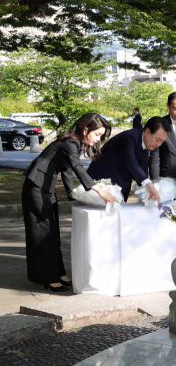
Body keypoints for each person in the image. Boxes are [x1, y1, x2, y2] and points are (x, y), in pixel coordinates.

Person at [22, 113, 119, 292]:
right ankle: (47, 277)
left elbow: (67, 173)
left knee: (52, 231)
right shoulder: (71, 142)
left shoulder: (75, 144)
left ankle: (58, 272)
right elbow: (77, 168)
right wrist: (98, 190)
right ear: (85, 130)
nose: (98, 139)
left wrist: (81, 197)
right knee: (43, 231)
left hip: (45, 187)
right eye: (97, 134)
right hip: (36, 186)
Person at [88, 117, 169, 202]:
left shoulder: (150, 145)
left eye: (162, 142)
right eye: (158, 139)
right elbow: (131, 162)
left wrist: (148, 187)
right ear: (147, 132)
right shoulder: (129, 137)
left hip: (119, 186)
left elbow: (142, 168)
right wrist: (149, 184)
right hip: (101, 182)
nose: (158, 144)